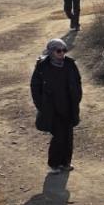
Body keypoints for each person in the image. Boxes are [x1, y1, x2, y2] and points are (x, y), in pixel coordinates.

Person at [30, 38, 82, 175]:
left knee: (68, 136)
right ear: (51, 51)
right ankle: (53, 164)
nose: (62, 53)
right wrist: (41, 105)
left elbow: (78, 82)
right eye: (58, 50)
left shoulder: (70, 64)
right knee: (58, 136)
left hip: (69, 106)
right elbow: (35, 87)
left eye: (64, 50)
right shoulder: (42, 66)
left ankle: (65, 162)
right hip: (52, 108)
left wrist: (77, 99)